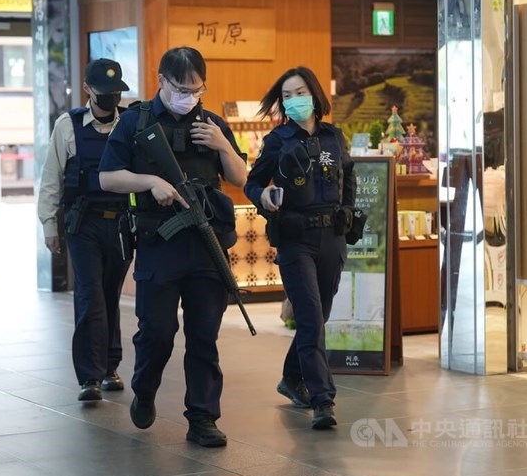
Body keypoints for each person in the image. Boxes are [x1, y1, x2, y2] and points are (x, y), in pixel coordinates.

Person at [98, 46, 247, 447]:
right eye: (181, 87)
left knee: (204, 336)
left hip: (206, 244)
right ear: (161, 80)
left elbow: (239, 177)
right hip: (158, 245)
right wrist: (149, 182)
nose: (189, 95)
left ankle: (202, 417)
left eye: (196, 89)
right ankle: (144, 389)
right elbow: (108, 178)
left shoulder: (211, 123)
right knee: (158, 333)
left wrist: (223, 145)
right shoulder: (134, 122)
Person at [243, 66, 356, 430]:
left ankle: (291, 378)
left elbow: (348, 179)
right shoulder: (277, 140)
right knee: (309, 317)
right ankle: (323, 399)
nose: (294, 100)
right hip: (295, 240)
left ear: (315, 94)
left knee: (316, 319)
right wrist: (264, 196)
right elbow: (253, 183)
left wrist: (349, 214)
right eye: (287, 96)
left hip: (332, 238)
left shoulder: (334, 138)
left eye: (300, 92)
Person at [38, 58, 133, 401]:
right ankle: (90, 377)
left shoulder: (131, 123)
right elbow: (51, 178)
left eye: (115, 92)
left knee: (110, 295)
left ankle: (110, 367)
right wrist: (49, 224)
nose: (110, 97)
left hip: (122, 223)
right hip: (83, 223)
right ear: (87, 90)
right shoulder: (68, 125)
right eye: (103, 91)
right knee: (90, 295)